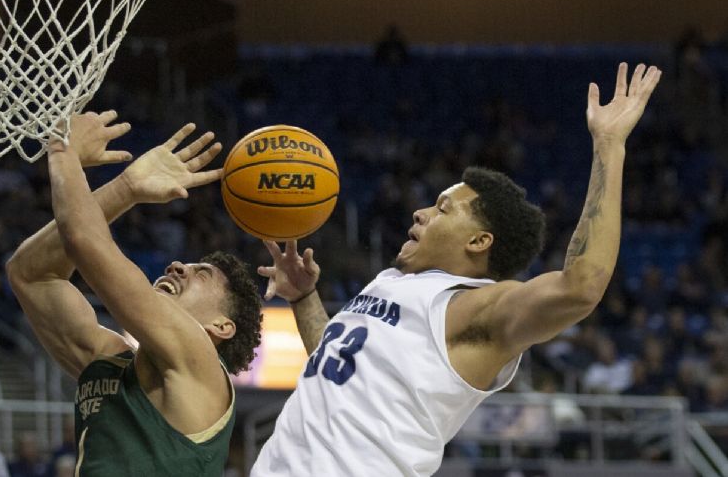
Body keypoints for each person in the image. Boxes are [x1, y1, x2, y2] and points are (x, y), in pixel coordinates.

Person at [251, 63, 662, 476]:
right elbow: (337, 363)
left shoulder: (475, 308)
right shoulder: (390, 281)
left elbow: (581, 286)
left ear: (479, 242)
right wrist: (304, 298)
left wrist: (609, 145)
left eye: (442, 208)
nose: (421, 212)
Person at [6, 113, 263, 476]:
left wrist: (64, 151)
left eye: (200, 273)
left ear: (222, 326)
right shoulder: (109, 361)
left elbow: (84, 240)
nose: (177, 265)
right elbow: (30, 276)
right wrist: (125, 189)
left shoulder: (200, 362)